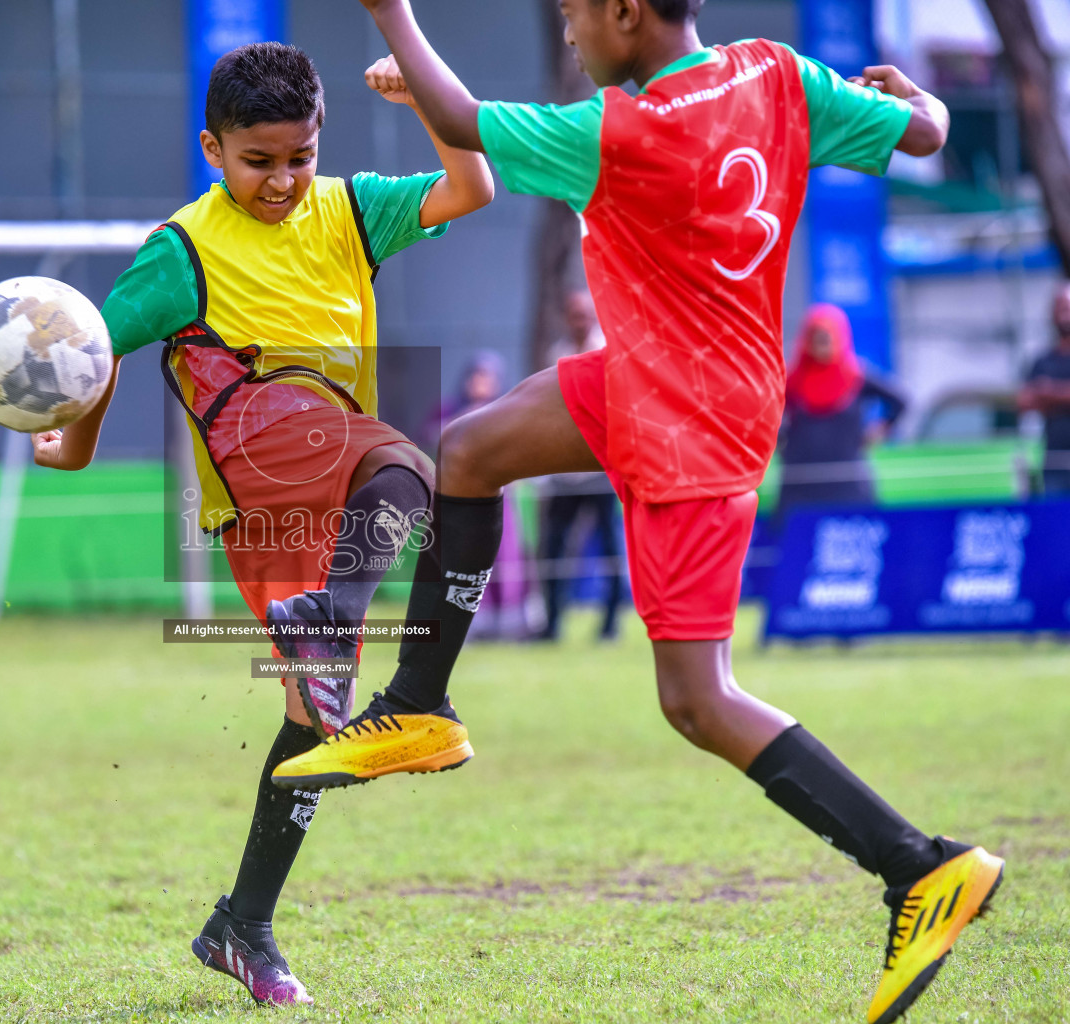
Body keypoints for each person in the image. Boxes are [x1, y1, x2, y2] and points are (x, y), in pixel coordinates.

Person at [274, 4, 1002, 1023]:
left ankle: (921, 867)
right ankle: (420, 706)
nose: (569, 33)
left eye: (574, 14)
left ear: (623, 12)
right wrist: (916, 97)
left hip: (688, 419)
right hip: (666, 377)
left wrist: (391, 13)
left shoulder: (617, 130)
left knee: (697, 700)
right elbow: (926, 134)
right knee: (472, 451)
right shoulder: (777, 74)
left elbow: (464, 116)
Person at [31, 43, 492, 1004]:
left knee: (311, 720)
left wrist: (423, 101)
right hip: (261, 460)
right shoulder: (184, 249)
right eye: (258, 161)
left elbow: (472, 184)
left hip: (331, 510)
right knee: (407, 464)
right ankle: (345, 625)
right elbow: (92, 348)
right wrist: (74, 447)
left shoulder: (352, 209)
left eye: (300, 157)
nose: (282, 180)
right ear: (212, 147)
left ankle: (241, 923)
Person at [533, 290, 623, 641]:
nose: (580, 320)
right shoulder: (556, 354)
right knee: (554, 548)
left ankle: (610, 625)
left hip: (601, 467)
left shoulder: (609, 350)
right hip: (564, 470)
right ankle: (552, 623)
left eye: (585, 313)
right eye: (574, 314)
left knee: (610, 549)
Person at [425, 352, 531, 640]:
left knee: (505, 555)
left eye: (487, 376)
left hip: (501, 499)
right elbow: (436, 435)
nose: (480, 382)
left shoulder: (505, 409)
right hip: (462, 499)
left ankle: (509, 623)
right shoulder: (452, 409)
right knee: (464, 555)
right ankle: (466, 621)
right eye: (476, 375)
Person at [779, 303, 907, 515]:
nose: (823, 344)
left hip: (848, 482)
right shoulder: (792, 381)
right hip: (800, 484)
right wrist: (777, 438)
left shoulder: (857, 377)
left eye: (828, 337)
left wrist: (882, 428)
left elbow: (901, 401)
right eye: (817, 338)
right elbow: (766, 412)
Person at [1017, 281, 1070, 496]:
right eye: (1059, 308)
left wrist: (1047, 394)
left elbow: (1039, 396)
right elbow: (1024, 402)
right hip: (1054, 463)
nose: (1064, 314)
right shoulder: (1042, 361)